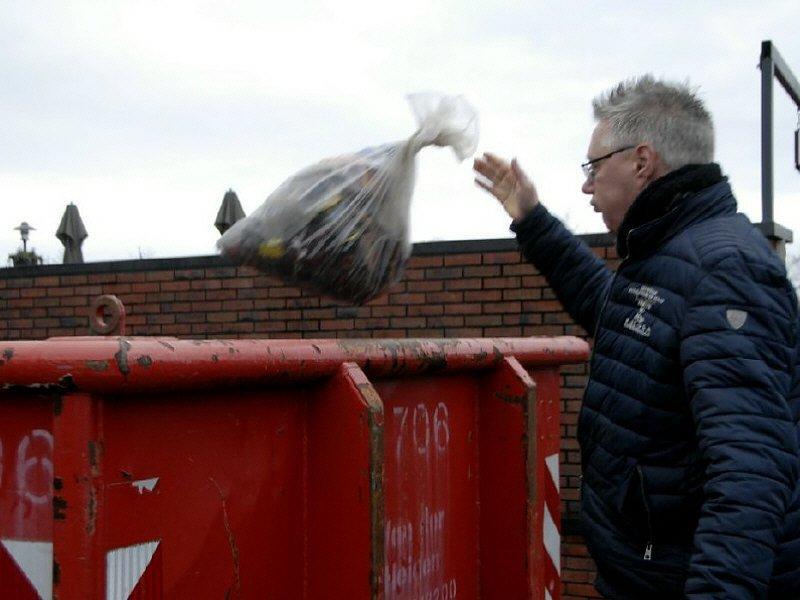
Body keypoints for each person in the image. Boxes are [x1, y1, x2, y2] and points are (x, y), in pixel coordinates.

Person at [474, 75, 800, 599]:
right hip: (642, 576)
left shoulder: (726, 269)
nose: (586, 186)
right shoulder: (669, 255)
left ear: (642, 161)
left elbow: (751, 474)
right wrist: (532, 221)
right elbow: (623, 319)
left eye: (594, 167)